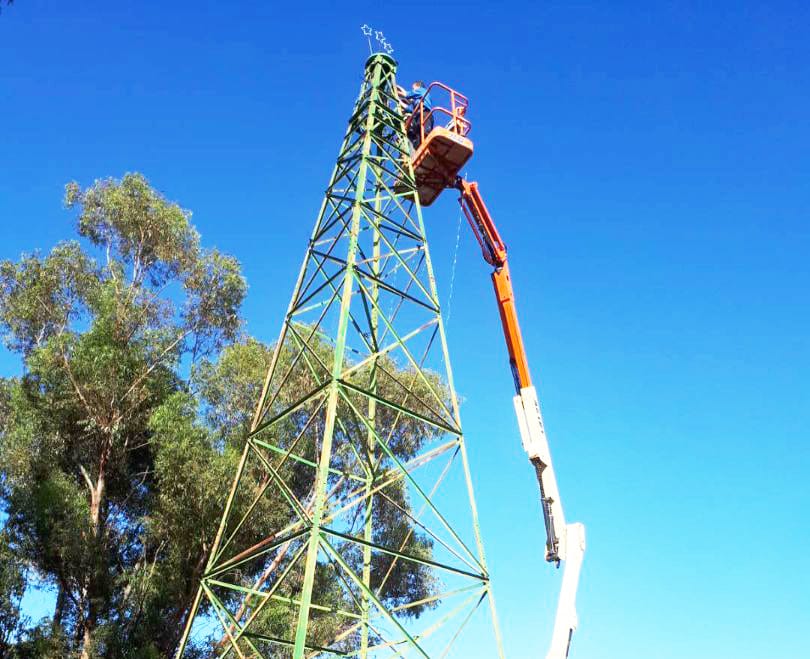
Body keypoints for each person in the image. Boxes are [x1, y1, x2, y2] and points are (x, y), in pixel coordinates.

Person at [404, 80, 434, 148]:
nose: (413, 90)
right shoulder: (418, 101)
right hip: (418, 116)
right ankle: (418, 146)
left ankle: (428, 145)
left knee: (425, 132)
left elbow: (407, 94)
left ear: (418, 86)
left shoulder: (421, 91)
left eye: (413, 88)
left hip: (424, 114)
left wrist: (396, 90)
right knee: (415, 135)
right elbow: (411, 109)